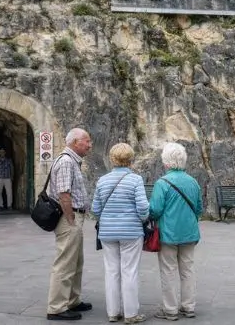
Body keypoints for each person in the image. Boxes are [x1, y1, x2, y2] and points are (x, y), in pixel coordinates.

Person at [91, 143, 149, 324]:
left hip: (108, 233)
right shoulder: (135, 180)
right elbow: (142, 208)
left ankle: (113, 312)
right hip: (131, 232)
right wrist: (143, 218)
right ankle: (131, 314)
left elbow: (95, 209)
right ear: (131, 159)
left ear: (112, 159)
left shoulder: (102, 180)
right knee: (129, 271)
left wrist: (108, 218)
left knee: (111, 271)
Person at [149, 142, 203, 321]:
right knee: (188, 270)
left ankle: (170, 309)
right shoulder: (193, 182)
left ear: (166, 162)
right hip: (189, 233)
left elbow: (155, 210)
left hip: (168, 234)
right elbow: (198, 208)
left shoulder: (162, 183)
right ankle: (189, 306)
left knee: (168, 270)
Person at [46, 128, 94, 321]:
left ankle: (72, 300)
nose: (90, 145)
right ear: (75, 142)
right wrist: (70, 220)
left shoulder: (71, 160)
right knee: (65, 263)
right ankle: (56, 307)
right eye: (87, 141)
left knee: (76, 261)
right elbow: (64, 194)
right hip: (69, 218)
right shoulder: (66, 161)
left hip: (74, 217)